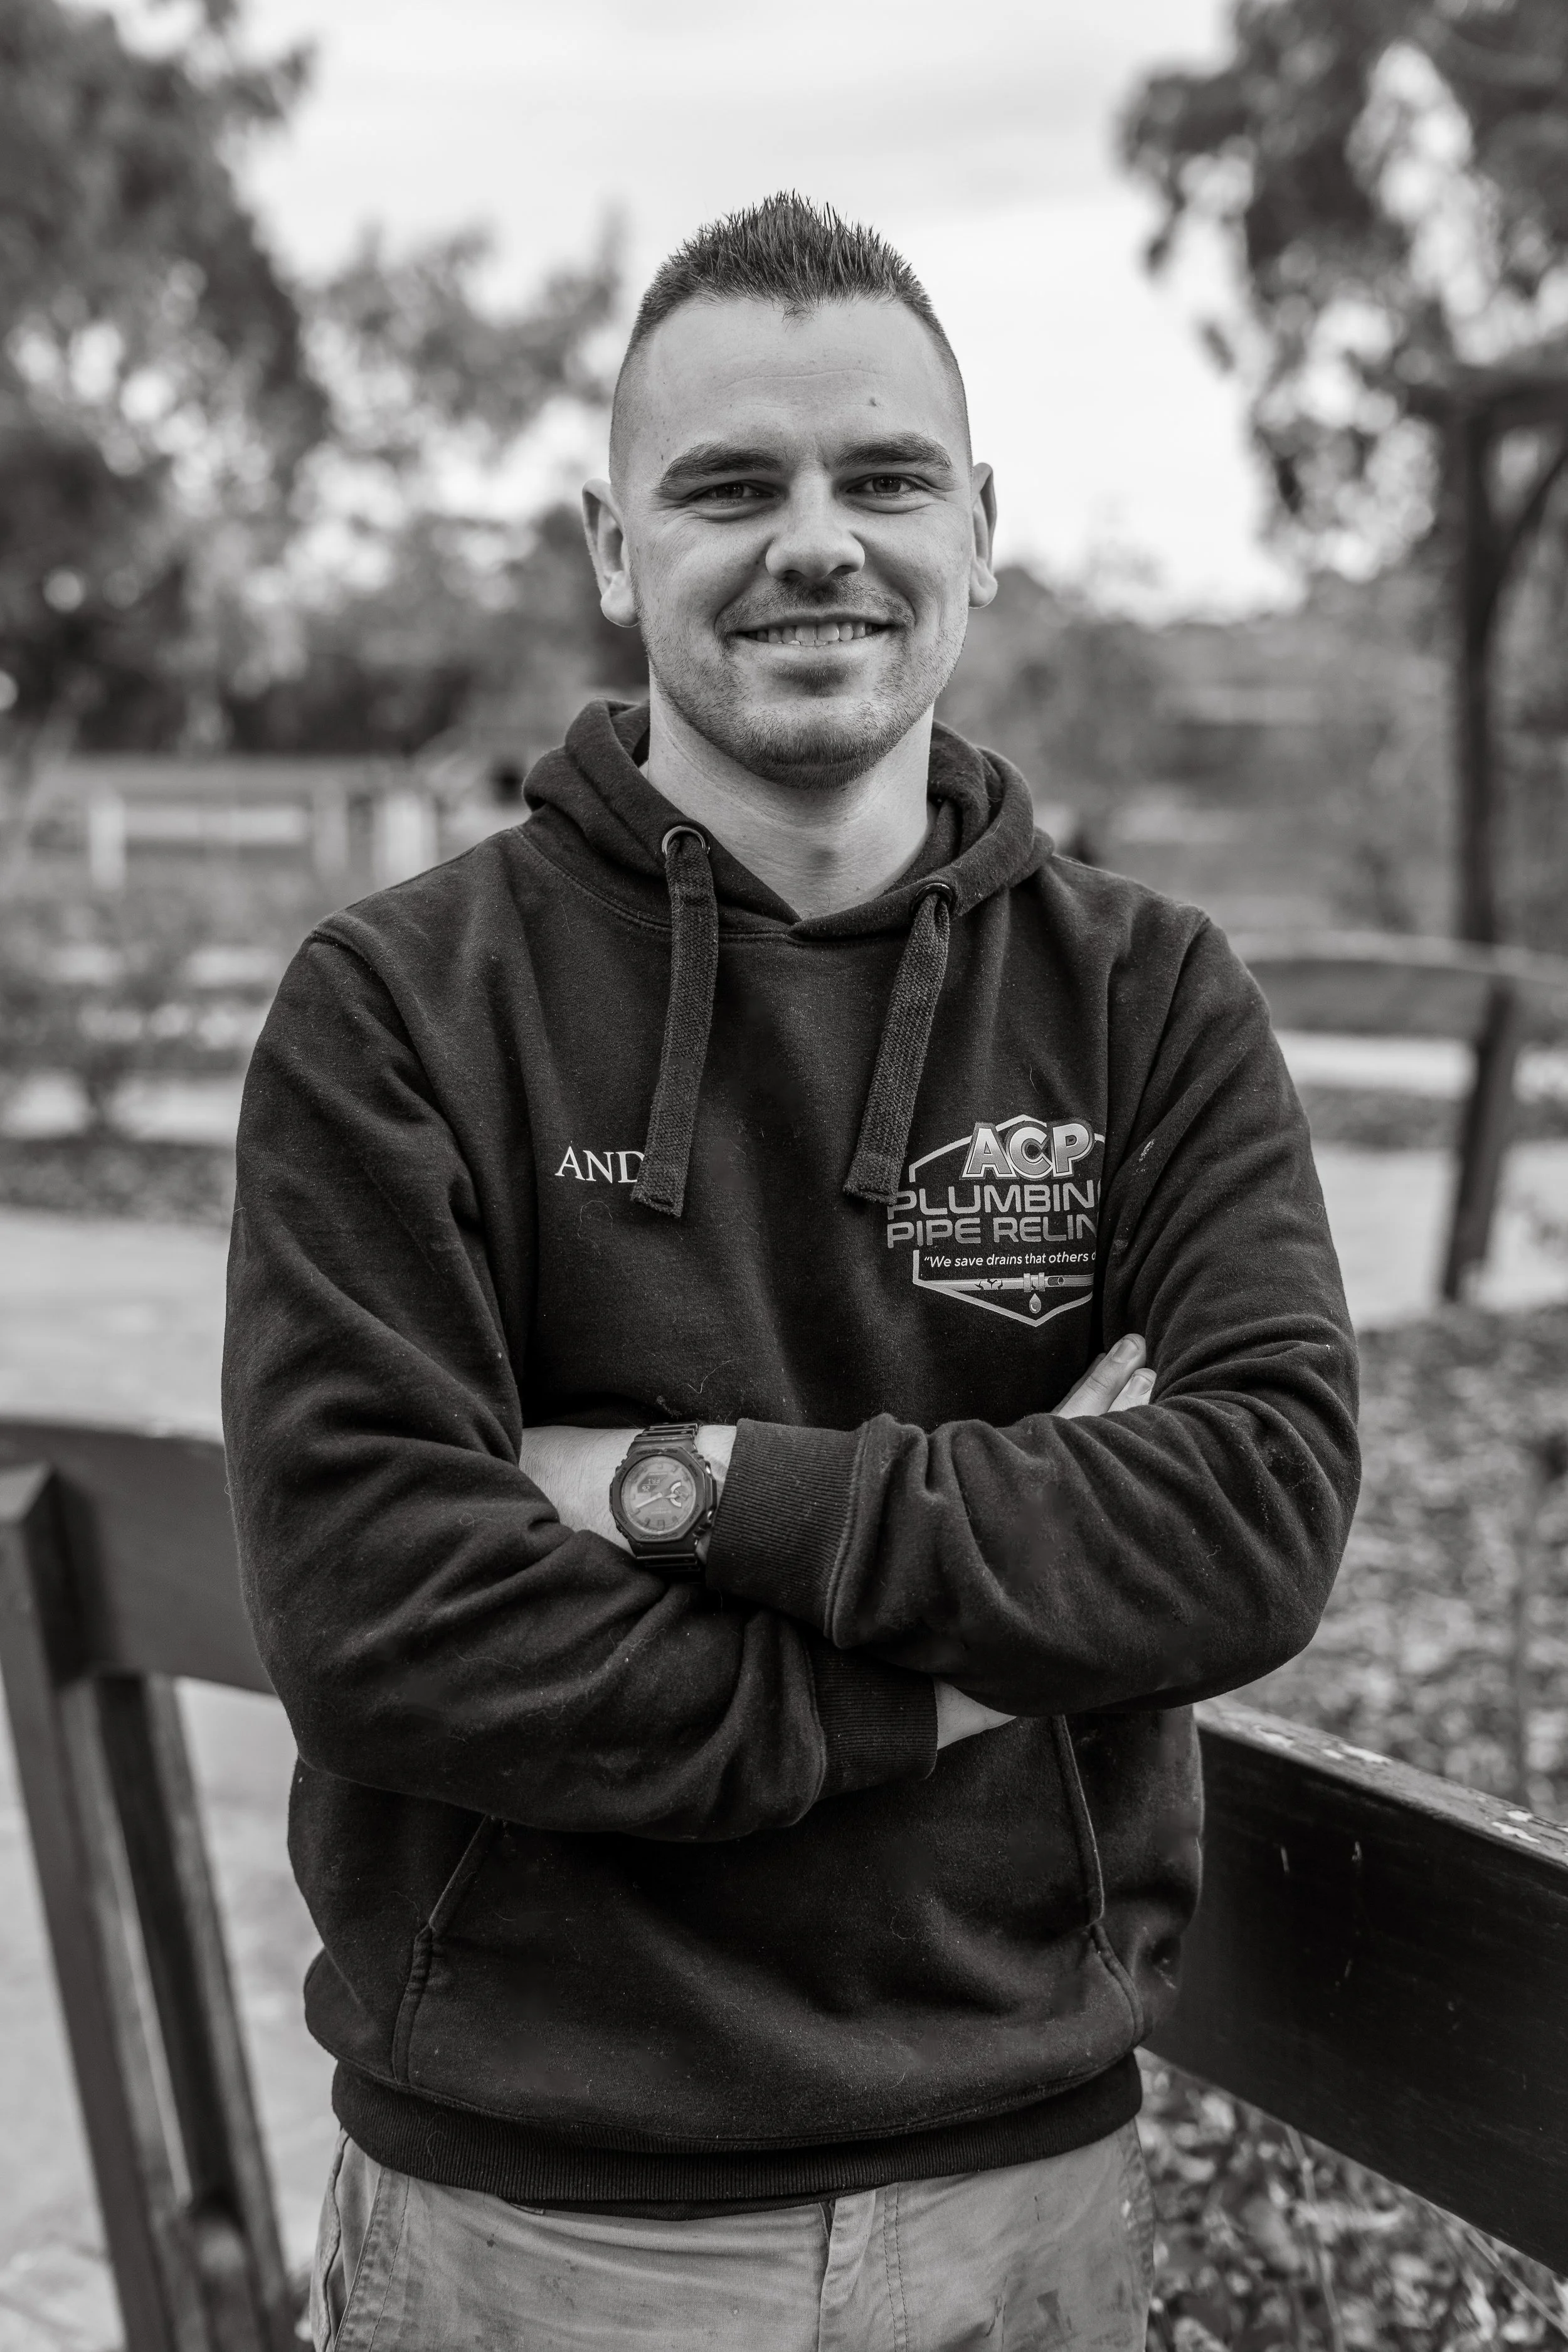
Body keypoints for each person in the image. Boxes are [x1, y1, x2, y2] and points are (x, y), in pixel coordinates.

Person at [223, 193, 1360, 2351]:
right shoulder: (397, 1008)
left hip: (1027, 2200)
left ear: (980, 527)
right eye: (728, 484)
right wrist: (975, 1662)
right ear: (610, 547)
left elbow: (1248, 1516)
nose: (815, 540)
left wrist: (687, 1485)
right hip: (537, 2232)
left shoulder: (1147, 1000)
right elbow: (387, 1616)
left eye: (884, 477)